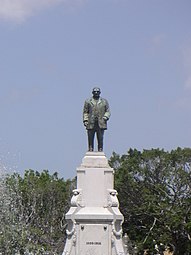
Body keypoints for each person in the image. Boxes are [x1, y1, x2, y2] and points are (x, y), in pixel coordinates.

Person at [83, 87, 111, 151]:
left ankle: (100, 148)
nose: (96, 93)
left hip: (101, 122)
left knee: (100, 137)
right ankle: (90, 148)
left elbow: (108, 111)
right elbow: (85, 112)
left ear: (100, 93)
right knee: (90, 137)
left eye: (97, 92)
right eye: (95, 92)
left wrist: (105, 117)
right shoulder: (88, 101)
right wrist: (85, 120)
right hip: (91, 122)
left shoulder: (104, 101)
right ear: (92, 93)